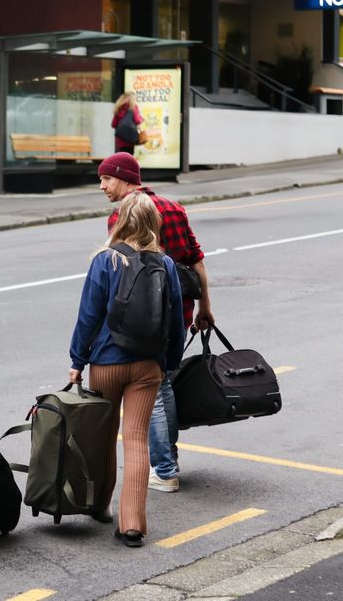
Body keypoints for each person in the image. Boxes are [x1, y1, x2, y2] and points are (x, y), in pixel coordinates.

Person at [68, 192, 185, 547]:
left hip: (105, 364)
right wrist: (169, 364)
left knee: (104, 438)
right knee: (136, 440)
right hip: (147, 366)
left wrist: (77, 360)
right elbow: (175, 321)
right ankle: (132, 523)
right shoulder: (164, 266)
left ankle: (101, 506)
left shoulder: (105, 261)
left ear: (121, 221)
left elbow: (88, 316)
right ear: (153, 223)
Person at [98, 152, 215, 493]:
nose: (103, 186)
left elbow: (119, 275)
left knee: (159, 391)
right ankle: (168, 461)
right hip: (178, 313)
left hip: (143, 319)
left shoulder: (122, 217)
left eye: (107, 179)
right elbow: (196, 261)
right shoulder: (174, 208)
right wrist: (206, 307)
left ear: (125, 178)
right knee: (164, 384)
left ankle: (165, 469)